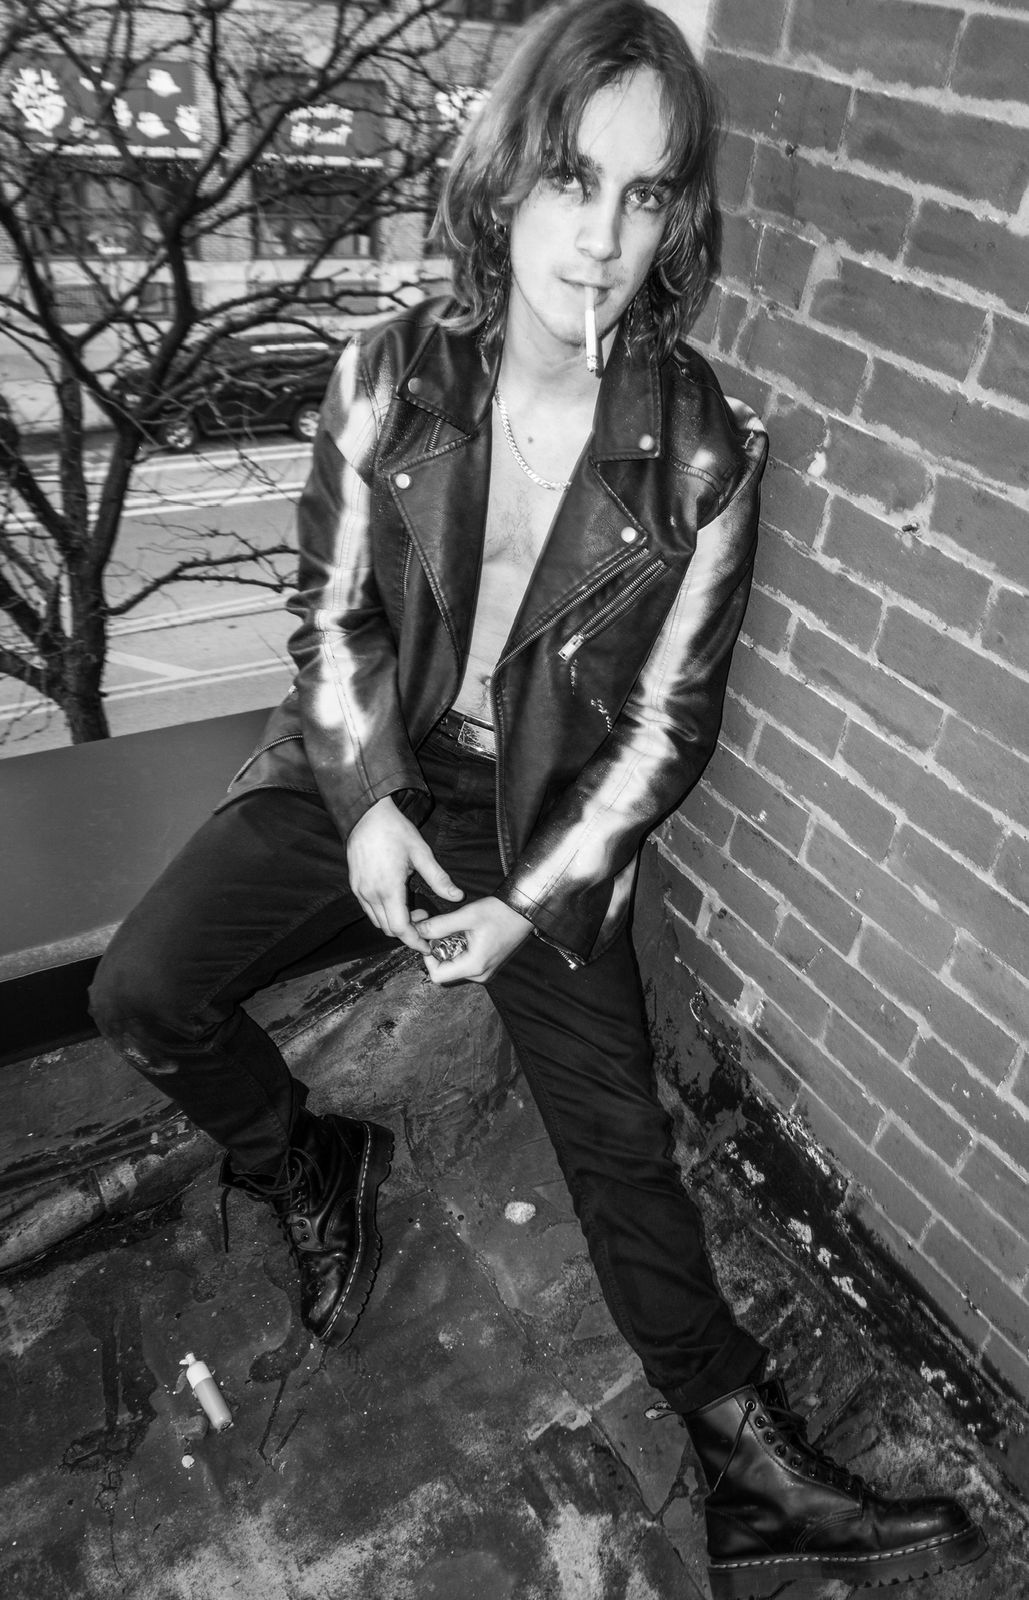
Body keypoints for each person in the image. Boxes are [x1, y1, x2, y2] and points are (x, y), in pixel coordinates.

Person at [90, 2, 986, 1593]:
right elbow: (331, 618)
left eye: (644, 195)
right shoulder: (385, 376)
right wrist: (368, 797)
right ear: (504, 181)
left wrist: (528, 903)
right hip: (363, 760)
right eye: (574, 179)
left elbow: (667, 727)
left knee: (622, 1145)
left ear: (676, 218)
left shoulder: (703, 454)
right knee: (143, 991)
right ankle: (304, 1160)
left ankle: (748, 1472)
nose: (602, 237)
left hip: (543, 818)